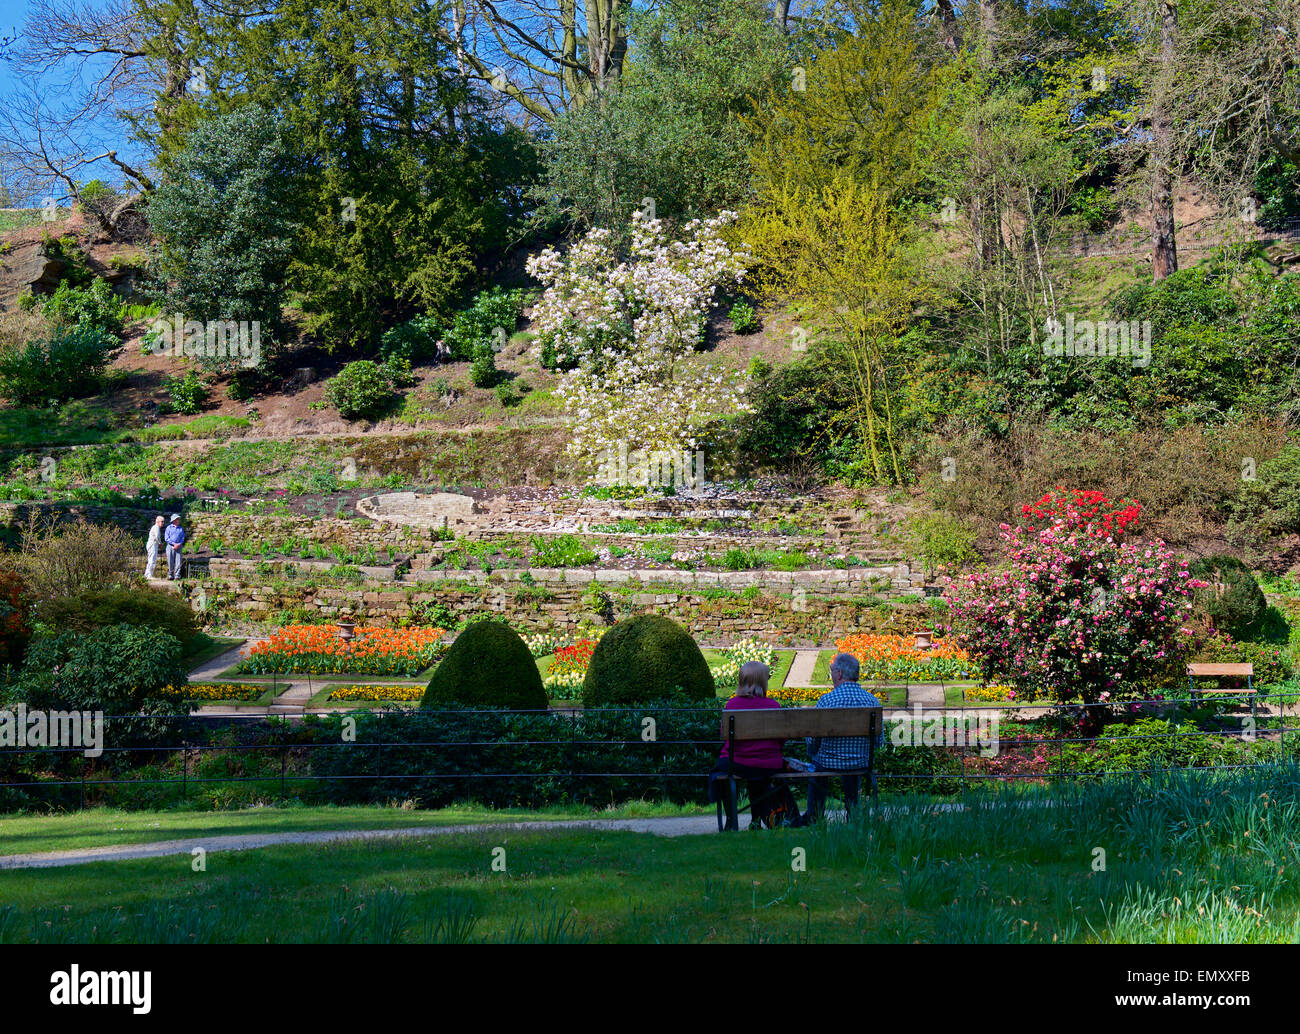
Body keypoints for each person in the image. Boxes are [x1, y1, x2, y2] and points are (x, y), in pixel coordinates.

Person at [796, 652, 884, 825]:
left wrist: (812, 752)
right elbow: (879, 742)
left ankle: (814, 816)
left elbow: (813, 741)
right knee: (851, 768)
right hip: (861, 762)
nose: (831, 674)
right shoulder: (873, 702)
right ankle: (854, 815)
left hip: (828, 762)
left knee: (816, 765)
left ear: (840, 673)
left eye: (832, 670)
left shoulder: (826, 701)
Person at [711, 661, 790, 831]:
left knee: (723, 770)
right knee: (758, 773)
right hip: (768, 764)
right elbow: (782, 740)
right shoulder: (773, 706)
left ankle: (731, 819)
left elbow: (724, 737)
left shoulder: (731, 705)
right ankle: (755, 820)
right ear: (763, 681)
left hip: (737, 763)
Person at [164, 513, 186, 580]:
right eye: (177, 519)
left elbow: (183, 537)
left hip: (179, 546)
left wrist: (178, 544)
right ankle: (170, 575)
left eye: (179, 519)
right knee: (170, 561)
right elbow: (166, 538)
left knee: (178, 561)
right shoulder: (168, 528)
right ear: (173, 520)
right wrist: (174, 544)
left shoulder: (180, 528)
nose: (179, 520)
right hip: (170, 546)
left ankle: (177, 575)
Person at [144, 514, 165, 579]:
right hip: (152, 544)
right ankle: (149, 575)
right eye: (162, 521)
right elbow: (157, 537)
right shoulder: (156, 527)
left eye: (163, 522)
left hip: (153, 544)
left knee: (151, 559)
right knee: (152, 560)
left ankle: (147, 574)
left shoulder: (156, 527)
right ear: (157, 521)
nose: (163, 523)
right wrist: (160, 544)